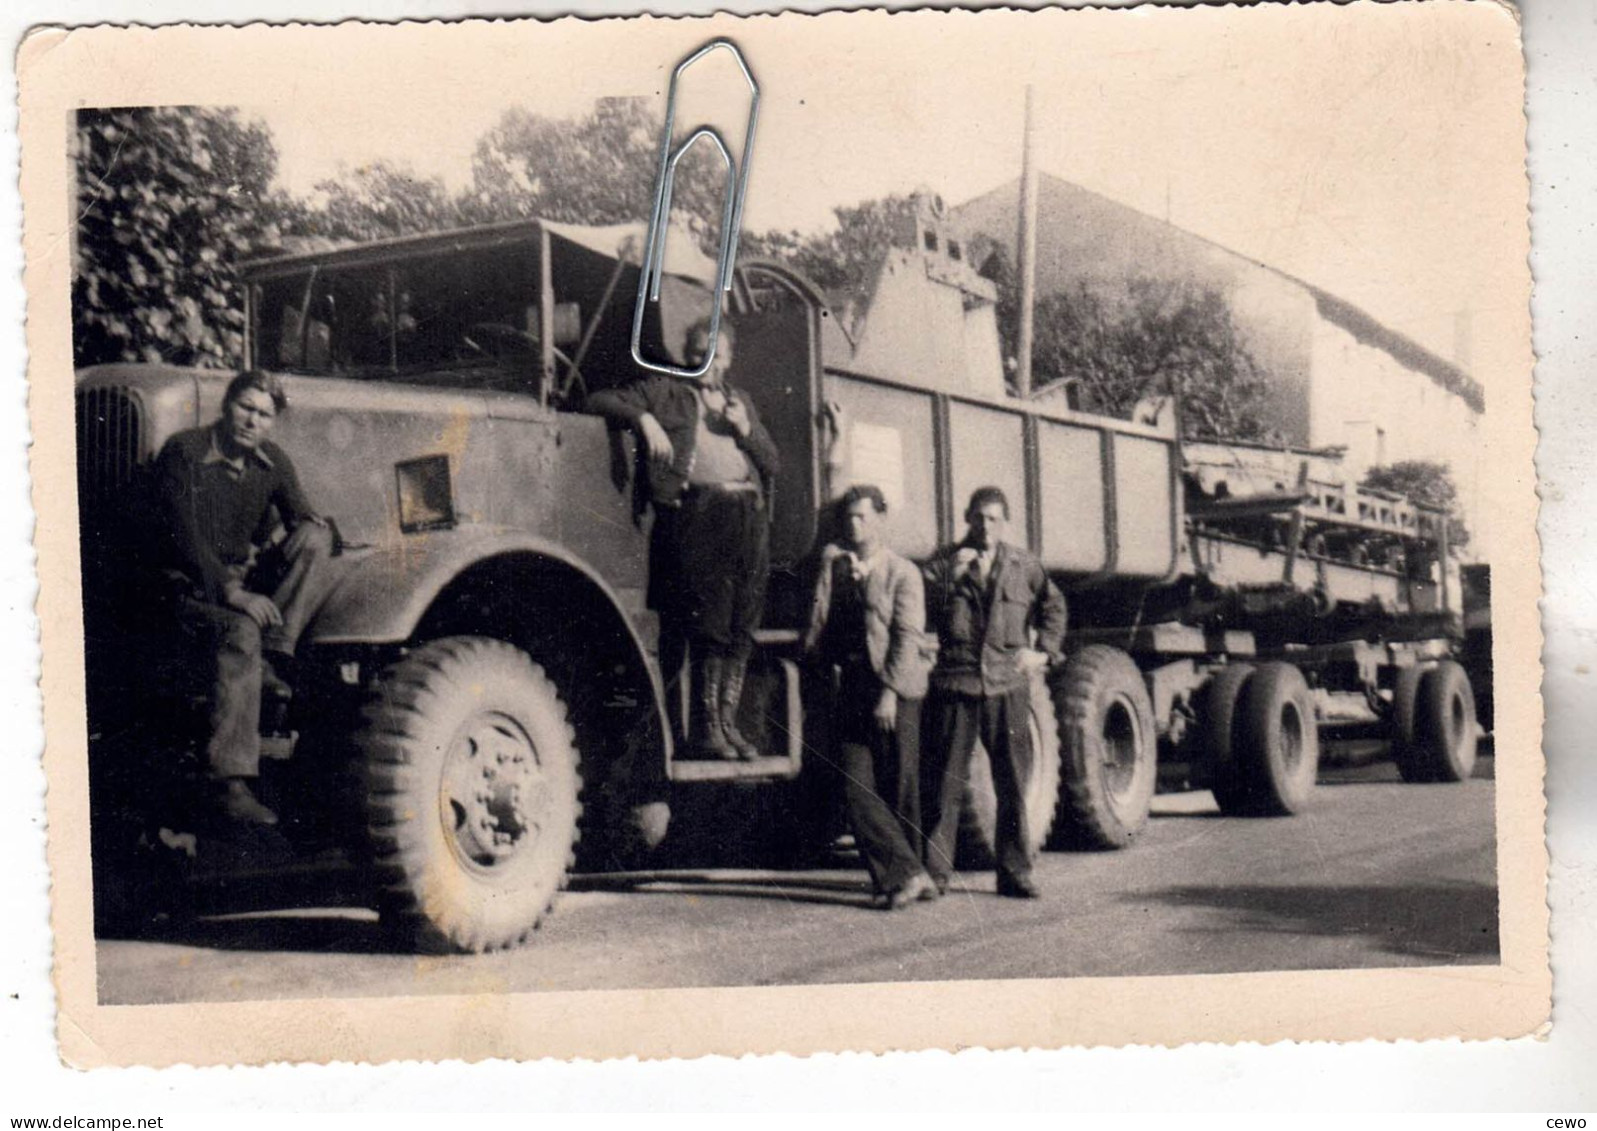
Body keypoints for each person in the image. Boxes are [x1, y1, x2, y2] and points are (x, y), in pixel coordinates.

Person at [151, 369, 340, 826]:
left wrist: (322, 527)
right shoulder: (184, 452)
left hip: (235, 583)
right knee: (238, 632)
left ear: (273, 421)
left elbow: (304, 517)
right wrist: (234, 593)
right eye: (245, 408)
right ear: (227, 405)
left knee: (314, 538)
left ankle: (273, 655)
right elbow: (180, 538)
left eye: (264, 414)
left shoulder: (270, 461)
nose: (252, 421)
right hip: (185, 585)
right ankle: (229, 784)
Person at [586, 318, 780, 760]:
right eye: (697, 354)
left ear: (729, 359)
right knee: (710, 623)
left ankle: (728, 725)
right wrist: (644, 420)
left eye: (715, 354)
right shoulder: (667, 392)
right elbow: (597, 399)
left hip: (748, 515)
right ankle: (709, 729)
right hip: (700, 512)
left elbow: (772, 464)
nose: (705, 362)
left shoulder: (740, 401)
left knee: (742, 624)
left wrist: (745, 430)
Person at [921, 486, 1067, 898]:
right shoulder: (942, 564)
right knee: (944, 784)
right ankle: (935, 874)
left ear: (1004, 523)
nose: (986, 527)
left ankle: (1015, 872)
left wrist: (1044, 654)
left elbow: (1053, 607)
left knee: (1013, 783)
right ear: (967, 519)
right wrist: (950, 577)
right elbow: (919, 608)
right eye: (979, 518)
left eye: (994, 519)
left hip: (1007, 686)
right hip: (958, 684)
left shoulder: (1023, 565)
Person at [803, 485, 939, 909]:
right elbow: (820, 621)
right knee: (853, 784)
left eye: (863, 517)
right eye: (849, 517)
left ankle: (907, 877)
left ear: (881, 519)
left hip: (894, 689)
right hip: (851, 689)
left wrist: (890, 694)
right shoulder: (837, 566)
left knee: (901, 785)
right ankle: (909, 874)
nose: (854, 525)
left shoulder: (903, 573)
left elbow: (906, 637)